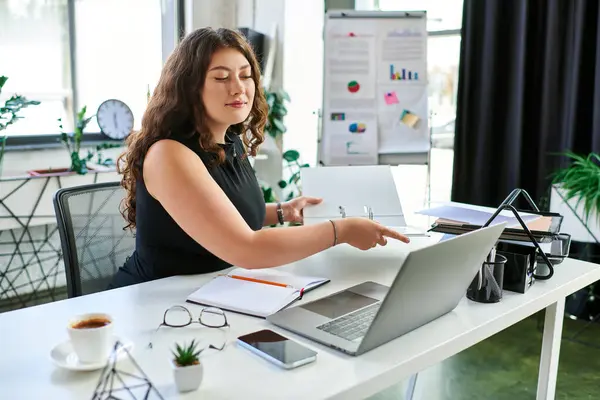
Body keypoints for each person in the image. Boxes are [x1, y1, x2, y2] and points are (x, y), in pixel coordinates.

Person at [108, 27, 410, 289]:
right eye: (221, 77)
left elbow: (224, 211)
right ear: (189, 88)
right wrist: (341, 230)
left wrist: (282, 211)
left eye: (246, 75)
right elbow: (246, 249)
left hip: (216, 288)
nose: (239, 88)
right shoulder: (170, 154)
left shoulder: (228, 138)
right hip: (157, 300)